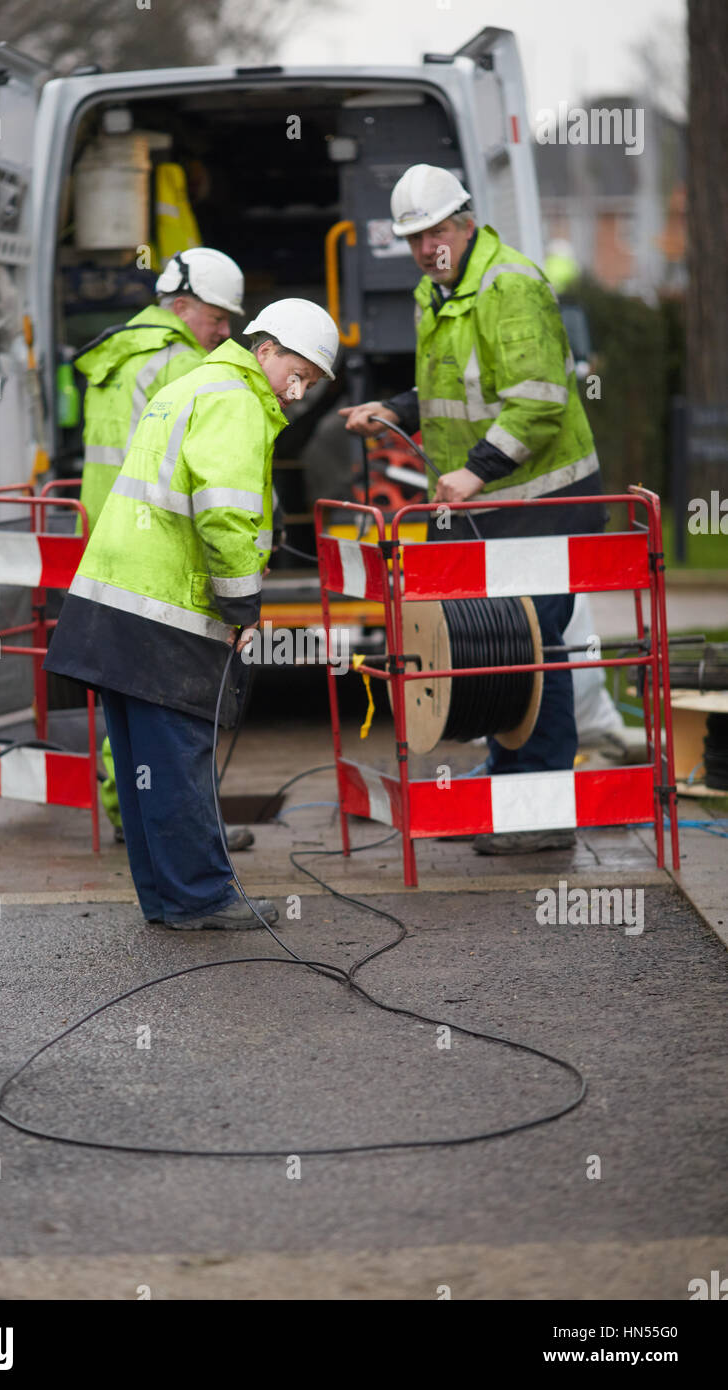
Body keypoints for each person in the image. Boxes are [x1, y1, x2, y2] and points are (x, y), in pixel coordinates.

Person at [45, 299, 339, 927]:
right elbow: (223, 511)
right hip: (165, 605)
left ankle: (168, 897)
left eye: (310, 384)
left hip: (117, 597)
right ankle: (200, 896)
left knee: (141, 761)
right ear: (266, 350)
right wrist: (243, 605)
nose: (297, 390)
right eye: (298, 372)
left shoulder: (195, 383)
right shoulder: (235, 398)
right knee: (178, 755)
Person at [340, 164, 606, 855]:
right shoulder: (441, 292)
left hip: (542, 505)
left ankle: (541, 810)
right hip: (493, 508)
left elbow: (540, 400)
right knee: (500, 652)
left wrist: (474, 470)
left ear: (464, 222)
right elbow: (447, 389)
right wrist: (393, 410)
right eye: (414, 238)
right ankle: (514, 783)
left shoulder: (508, 285)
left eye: (435, 233)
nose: (427, 248)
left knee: (533, 654)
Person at [73, 246, 251, 848]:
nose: (226, 331)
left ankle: (131, 811)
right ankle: (178, 829)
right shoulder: (179, 365)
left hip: (107, 539)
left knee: (126, 690)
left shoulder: (116, 357)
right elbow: (209, 478)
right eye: (218, 317)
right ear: (179, 306)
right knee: (170, 698)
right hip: (158, 551)